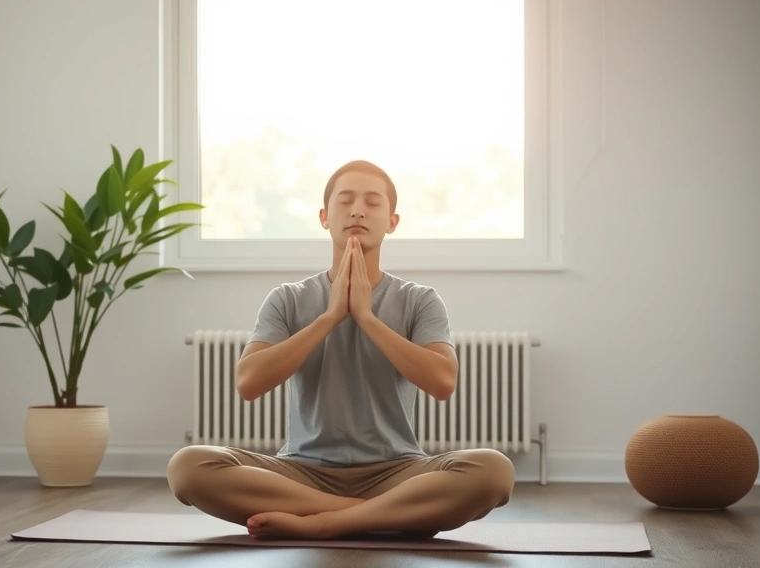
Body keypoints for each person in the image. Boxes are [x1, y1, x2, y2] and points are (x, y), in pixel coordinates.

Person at [166, 160, 515, 540]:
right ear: (324, 217)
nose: (358, 210)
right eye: (345, 200)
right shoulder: (287, 299)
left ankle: (324, 523)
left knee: (495, 471)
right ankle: (381, 517)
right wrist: (329, 317)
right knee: (187, 467)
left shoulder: (420, 301)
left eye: (372, 202)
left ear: (392, 222)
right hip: (301, 474)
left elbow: (443, 382)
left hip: (396, 472)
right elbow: (248, 383)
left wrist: (366, 317)